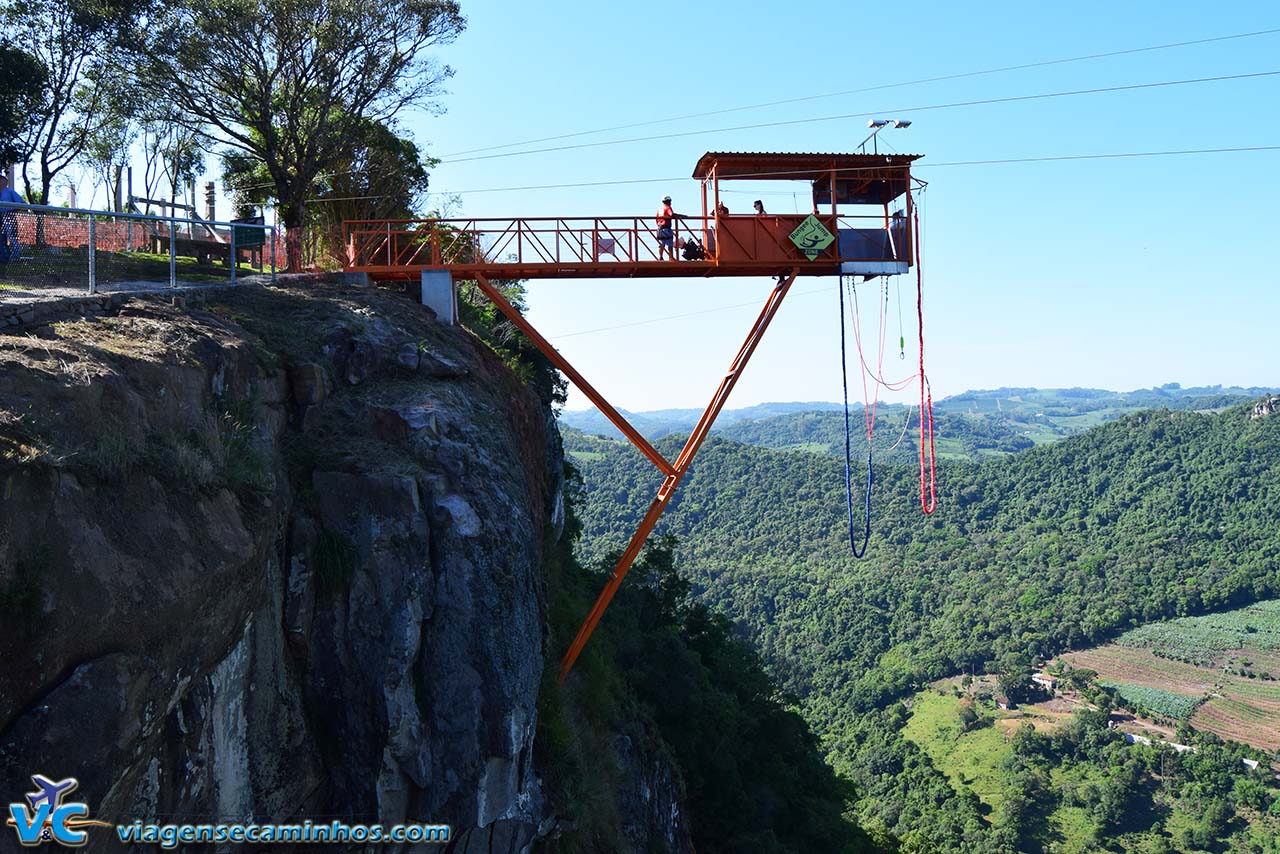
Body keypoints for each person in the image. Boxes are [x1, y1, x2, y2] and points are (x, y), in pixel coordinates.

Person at [0, 176, 22, 262]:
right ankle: (3, 257)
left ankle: (16, 257)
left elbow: (20, 203)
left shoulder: (10, 191)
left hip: (8, 216)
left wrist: (11, 212)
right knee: (1, 237)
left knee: (12, 236)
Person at [656, 195, 682, 260]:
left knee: (662, 243)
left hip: (660, 228)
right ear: (668, 201)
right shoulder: (668, 208)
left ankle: (660, 257)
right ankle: (671, 258)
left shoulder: (659, 210)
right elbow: (671, 214)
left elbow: (656, 219)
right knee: (670, 243)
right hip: (667, 228)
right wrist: (681, 216)